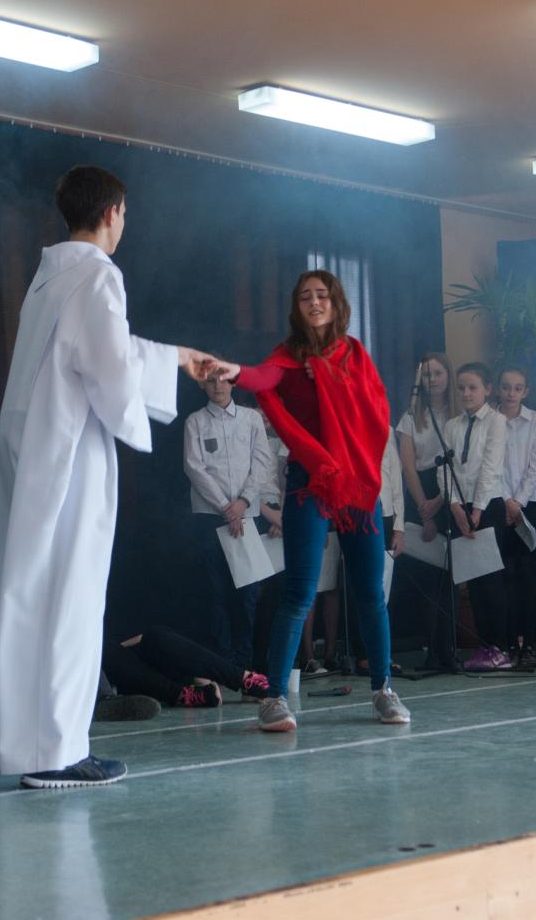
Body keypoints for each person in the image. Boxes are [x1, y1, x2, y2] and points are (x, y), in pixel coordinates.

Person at [0, 165, 220, 789]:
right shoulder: (98, 274)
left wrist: (173, 357)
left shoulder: (47, 279)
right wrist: (167, 369)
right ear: (113, 212)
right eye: (125, 213)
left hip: (28, 451)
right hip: (66, 458)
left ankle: (19, 744)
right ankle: (58, 752)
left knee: (23, 595)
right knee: (70, 598)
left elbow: (102, 350)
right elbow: (109, 369)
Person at [229, 269, 409, 732]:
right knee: (299, 592)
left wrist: (329, 374)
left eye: (322, 295)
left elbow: (376, 409)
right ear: (297, 306)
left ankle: (383, 689)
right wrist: (234, 372)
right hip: (309, 479)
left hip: (354, 482)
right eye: (305, 296)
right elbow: (262, 378)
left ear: (335, 302)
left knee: (370, 592)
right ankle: (273, 698)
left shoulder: (354, 354)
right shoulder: (288, 356)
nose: (314, 302)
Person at [182, 373, 276, 668]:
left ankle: (245, 662)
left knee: (248, 593)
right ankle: (222, 662)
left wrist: (242, 502)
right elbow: (194, 467)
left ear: (233, 382)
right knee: (214, 591)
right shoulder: (195, 421)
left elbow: (262, 463)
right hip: (210, 516)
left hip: (246, 515)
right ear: (202, 384)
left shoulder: (251, 419)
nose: (218, 385)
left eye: (223, 379)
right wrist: (226, 507)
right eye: (211, 381)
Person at [443, 362, 510, 670]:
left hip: (488, 506)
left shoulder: (496, 421)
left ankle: (500, 647)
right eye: (461, 388)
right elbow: (445, 468)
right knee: (474, 583)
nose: (466, 393)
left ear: (487, 389)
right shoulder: (452, 426)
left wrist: (478, 510)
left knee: (492, 580)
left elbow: (491, 467)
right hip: (461, 507)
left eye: (473, 387)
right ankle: (484, 646)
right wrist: (455, 506)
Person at [395, 352, 458, 670]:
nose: (433, 380)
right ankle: (433, 649)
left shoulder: (457, 415)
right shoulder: (410, 417)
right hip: (420, 494)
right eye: (428, 375)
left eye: (438, 373)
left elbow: (460, 462)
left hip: (451, 494)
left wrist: (442, 501)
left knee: (450, 579)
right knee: (428, 579)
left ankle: (450, 650)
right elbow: (408, 467)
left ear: (448, 376)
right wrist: (425, 511)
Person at [494, 366, 536, 664]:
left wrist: (519, 502)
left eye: (517, 388)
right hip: (498, 504)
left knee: (527, 577)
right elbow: (490, 465)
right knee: (504, 575)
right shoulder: (491, 419)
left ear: (525, 391)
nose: (511, 393)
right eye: (506, 387)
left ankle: (527, 642)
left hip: (529, 505)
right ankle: (506, 642)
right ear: (497, 389)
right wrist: (506, 501)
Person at [102, 624, 270, 708]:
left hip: (134, 664)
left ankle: (243, 678)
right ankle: (185, 695)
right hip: (113, 678)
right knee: (107, 652)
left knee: (154, 635)